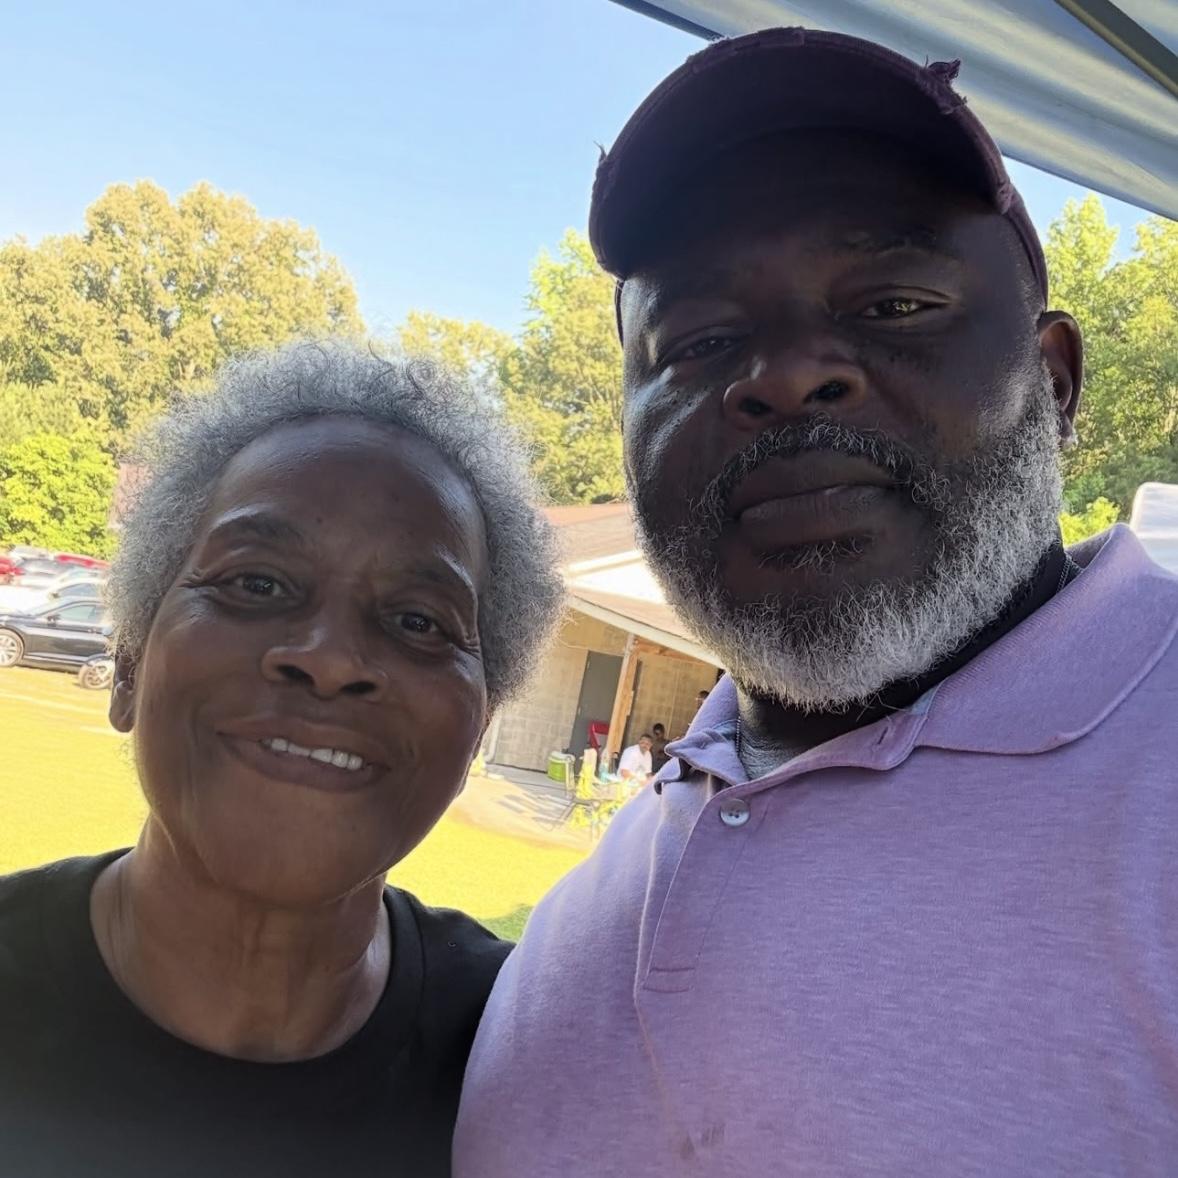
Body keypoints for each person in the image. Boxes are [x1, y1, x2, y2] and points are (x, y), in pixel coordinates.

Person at [454, 29, 1178, 1177]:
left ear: (1052, 382)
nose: (786, 373)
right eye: (698, 339)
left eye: (891, 303)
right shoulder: (630, 849)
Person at [0, 342, 563, 1178]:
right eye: (256, 583)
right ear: (127, 665)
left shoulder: (529, 1063)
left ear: (476, 733)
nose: (330, 660)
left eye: (419, 622)